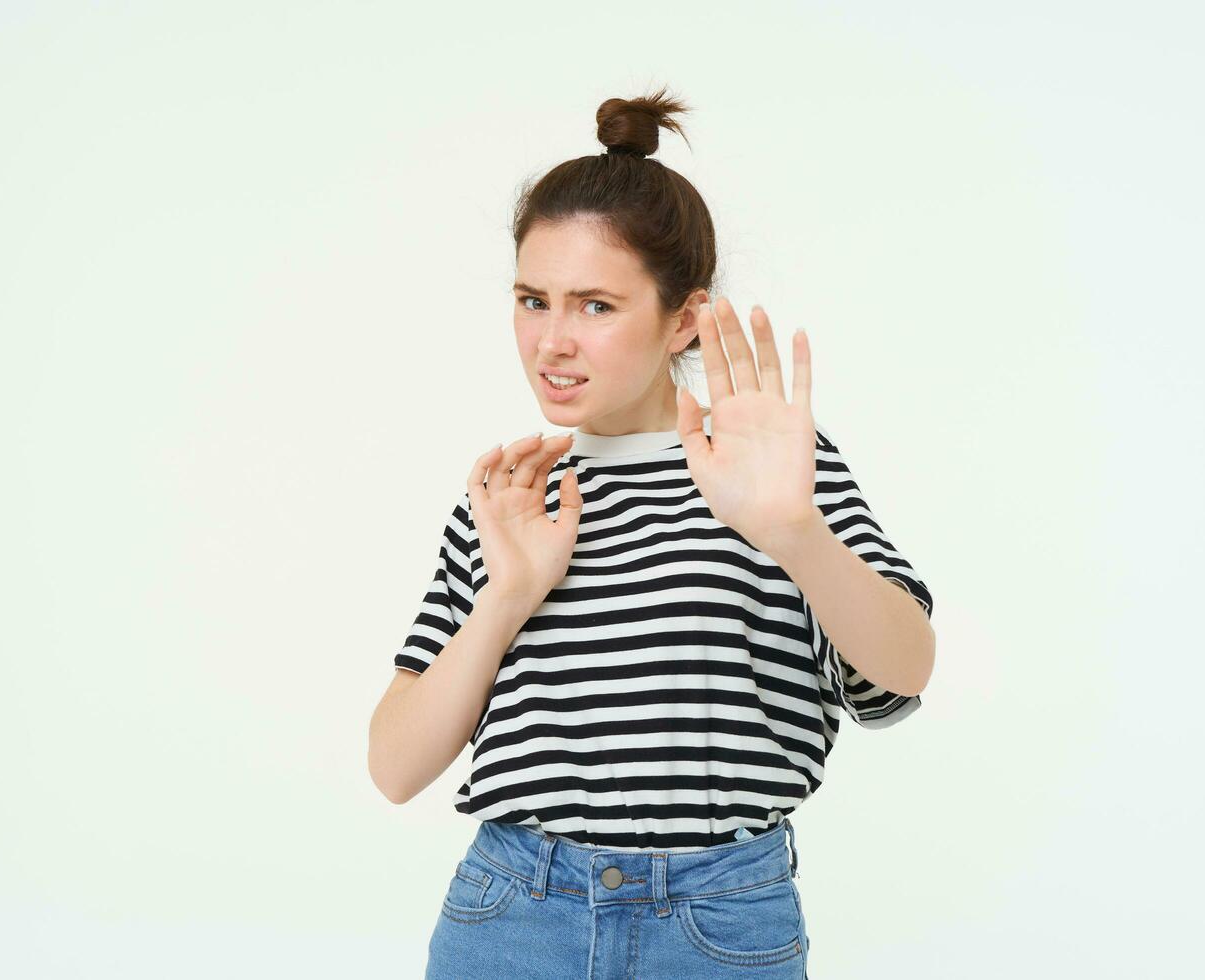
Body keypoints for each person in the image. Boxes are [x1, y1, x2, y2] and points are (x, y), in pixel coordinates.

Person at [368, 86, 936, 979]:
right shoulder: (514, 496)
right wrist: (511, 592)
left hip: (718, 922)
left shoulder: (773, 465)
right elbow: (395, 767)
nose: (552, 341)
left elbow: (900, 679)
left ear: (683, 317)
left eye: (596, 305)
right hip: (513, 916)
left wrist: (794, 531)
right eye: (532, 299)